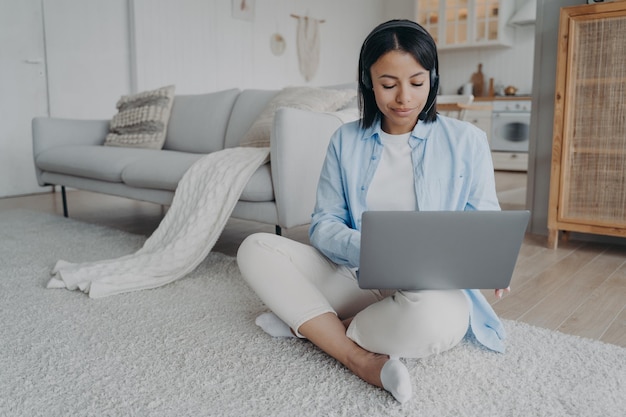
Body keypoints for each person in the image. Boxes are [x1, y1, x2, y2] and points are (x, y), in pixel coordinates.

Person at [237, 19, 508, 404]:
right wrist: (371, 248)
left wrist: (491, 260)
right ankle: (360, 359)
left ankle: (317, 326)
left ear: (432, 77)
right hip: (356, 274)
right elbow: (324, 224)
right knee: (256, 249)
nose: (404, 98)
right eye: (388, 84)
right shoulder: (345, 139)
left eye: (417, 83)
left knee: (439, 324)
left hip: (426, 287)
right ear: (368, 81)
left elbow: (484, 222)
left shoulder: (468, 141)